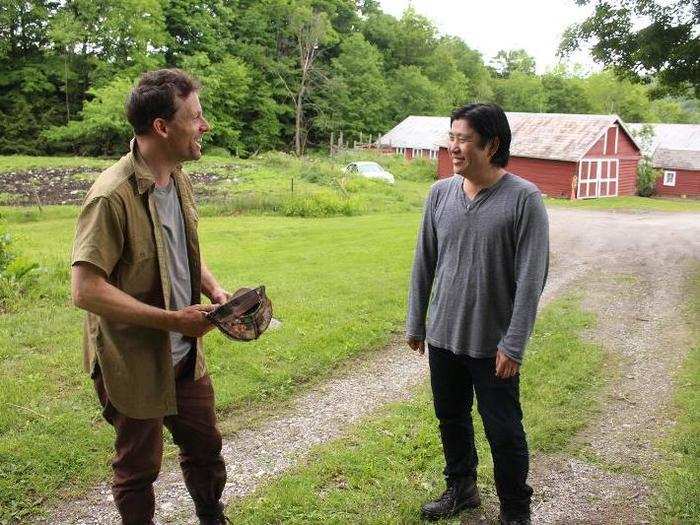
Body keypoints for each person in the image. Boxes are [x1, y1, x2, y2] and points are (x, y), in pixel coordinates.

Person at [71, 69, 231, 525]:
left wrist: (214, 289)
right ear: (162, 127)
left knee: (205, 447)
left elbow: (179, 251)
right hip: (132, 359)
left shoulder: (176, 176)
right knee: (138, 470)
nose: (206, 126)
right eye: (196, 117)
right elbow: (84, 290)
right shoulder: (111, 196)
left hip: (185, 354)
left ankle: (211, 517)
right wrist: (172, 321)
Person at [406, 103, 549, 524]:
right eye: (452, 137)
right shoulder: (440, 194)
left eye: (463, 139)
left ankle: (515, 510)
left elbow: (531, 279)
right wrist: (417, 322)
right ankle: (462, 488)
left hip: (494, 346)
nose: (454, 147)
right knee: (450, 419)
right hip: (444, 338)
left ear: (492, 144)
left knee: (504, 431)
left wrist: (515, 343)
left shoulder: (524, 199)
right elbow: (424, 262)